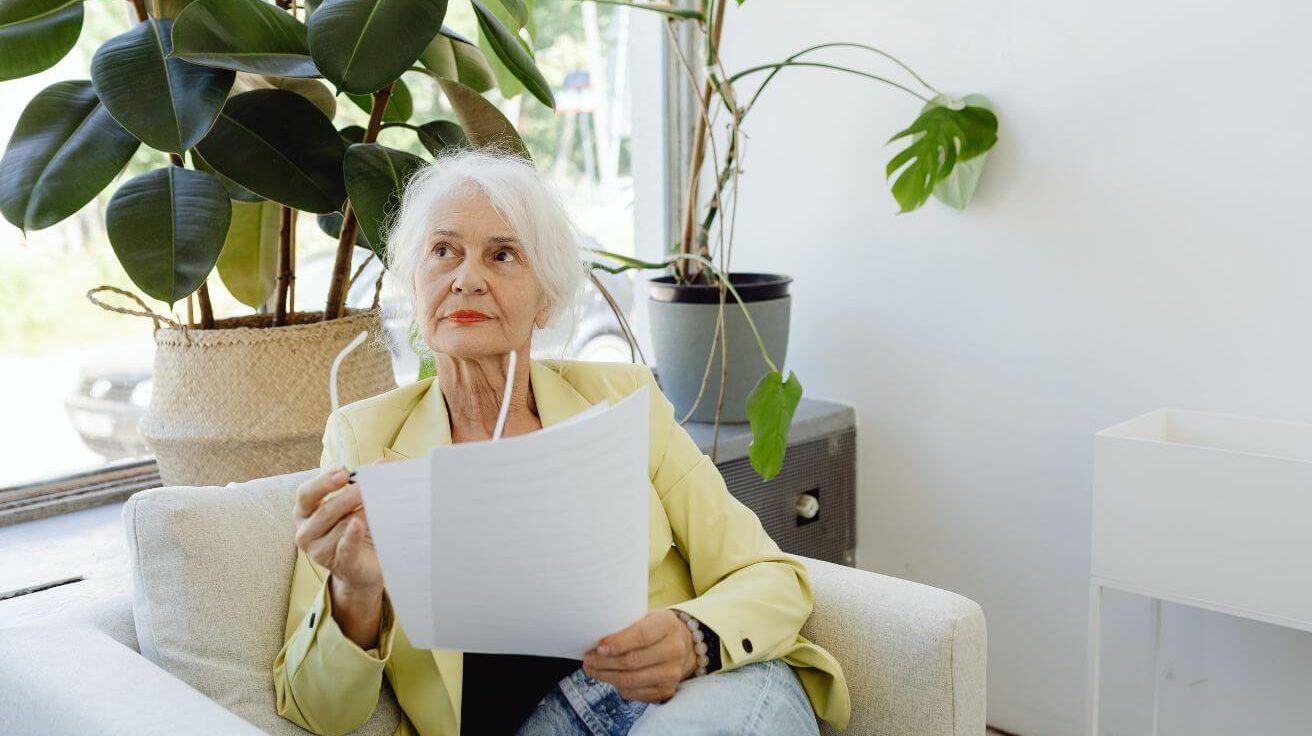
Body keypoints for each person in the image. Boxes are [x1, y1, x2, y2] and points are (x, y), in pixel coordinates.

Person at [272, 146, 850, 735]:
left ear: (545, 298)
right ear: (415, 286)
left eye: (501, 255)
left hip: (689, 699)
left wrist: (690, 637)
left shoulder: (624, 401)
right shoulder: (363, 440)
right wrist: (355, 593)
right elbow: (320, 713)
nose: (466, 278)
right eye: (442, 251)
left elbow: (770, 575)